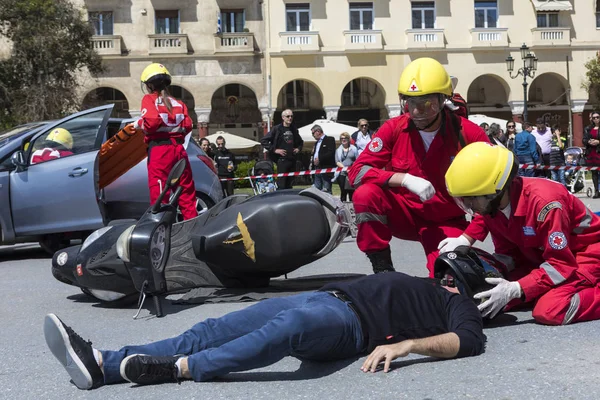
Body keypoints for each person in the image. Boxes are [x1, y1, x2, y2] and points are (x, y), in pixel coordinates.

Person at [43, 271, 485, 390]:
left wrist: (408, 345)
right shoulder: (425, 281)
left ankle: (178, 369)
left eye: (452, 268)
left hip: (349, 325)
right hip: (324, 299)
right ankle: (105, 363)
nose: (443, 268)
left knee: (287, 328)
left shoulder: (457, 304)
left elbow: (467, 342)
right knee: (215, 326)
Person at [348, 57, 489, 275]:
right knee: (365, 194)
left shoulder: (468, 133)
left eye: (426, 104)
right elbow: (357, 172)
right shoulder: (393, 128)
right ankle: (382, 267)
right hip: (404, 215)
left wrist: (466, 237)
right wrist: (403, 179)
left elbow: (494, 195)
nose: (415, 112)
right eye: (409, 102)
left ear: (443, 100)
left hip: (446, 221)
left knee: (448, 280)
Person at [440, 142, 600, 324]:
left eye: (471, 199)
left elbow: (561, 264)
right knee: (485, 295)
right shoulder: (493, 206)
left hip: (584, 255)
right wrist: (465, 240)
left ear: (494, 192)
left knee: (550, 309)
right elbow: (506, 250)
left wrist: (516, 288)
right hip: (541, 257)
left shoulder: (545, 204)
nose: (469, 206)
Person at [131, 63, 197, 220]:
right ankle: (193, 229)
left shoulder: (149, 99)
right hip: (179, 151)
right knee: (186, 193)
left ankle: (161, 233)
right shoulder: (178, 103)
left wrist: (139, 124)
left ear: (149, 85)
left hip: (160, 152)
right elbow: (187, 126)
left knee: (160, 194)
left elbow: (152, 122)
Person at [260, 109, 303, 190]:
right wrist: (275, 150)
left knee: (290, 184)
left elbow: (300, 142)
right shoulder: (277, 129)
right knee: (281, 184)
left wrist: (298, 149)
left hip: (292, 160)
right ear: (283, 117)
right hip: (281, 160)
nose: (290, 118)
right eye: (288, 116)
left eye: (291, 116)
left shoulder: (293, 129)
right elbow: (263, 140)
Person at [310, 124, 336, 194]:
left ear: (318, 131)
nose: (313, 135)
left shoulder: (330, 139)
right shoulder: (316, 143)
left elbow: (331, 153)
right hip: (316, 169)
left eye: (313, 133)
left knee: (326, 190)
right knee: (317, 190)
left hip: (325, 168)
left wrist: (320, 159)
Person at [335, 132, 359, 202]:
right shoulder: (338, 150)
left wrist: (351, 168)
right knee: (343, 192)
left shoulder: (354, 149)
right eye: (342, 138)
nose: (343, 140)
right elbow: (337, 162)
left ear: (348, 139)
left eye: (345, 138)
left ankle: (352, 209)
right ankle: (343, 209)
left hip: (351, 173)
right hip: (341, 173)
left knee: (351, 192)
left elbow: (357, 160)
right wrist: (345, 169)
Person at [583, 111, 600, 198]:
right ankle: (597, 191)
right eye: (594, 118)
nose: (596, 119)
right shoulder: (588, 128)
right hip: (591, 153)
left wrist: (598, 142)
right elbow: (584, 139)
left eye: (597, 117)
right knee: (594, 173)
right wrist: (589, 141)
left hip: (599, 152)